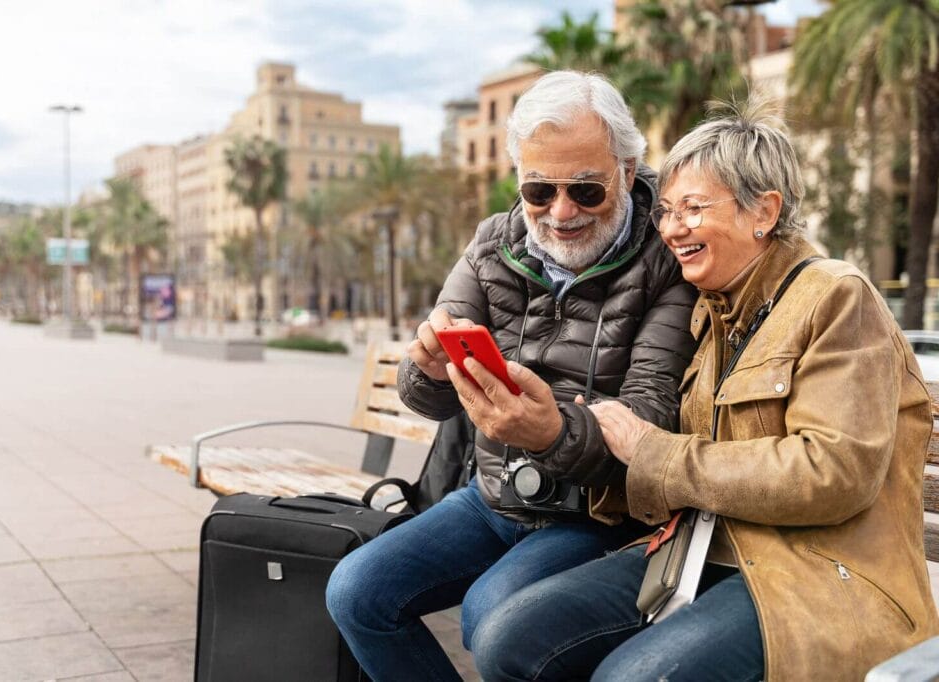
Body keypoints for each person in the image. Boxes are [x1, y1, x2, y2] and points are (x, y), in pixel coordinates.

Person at [470, 100, 939, 681]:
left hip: (821, 578)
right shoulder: (712, 310)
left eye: (692, 209)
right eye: (666, 211)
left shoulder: (837, 298)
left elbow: (833, 473)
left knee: (633, 678)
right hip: (704, 551)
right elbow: (671, 446)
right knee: (507, 637)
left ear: (763, 211)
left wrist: (653, 453)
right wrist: (575, 437)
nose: (670, 229)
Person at [326, 70, 698, 681]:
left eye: (586, 190)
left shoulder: (666, 258)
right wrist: (428, 371)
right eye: (538, 189)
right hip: (492, 495)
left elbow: (650, 417)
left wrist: (550, 433)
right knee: (356, 593)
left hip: (599, 514)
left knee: (489, 614)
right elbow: (425, 399)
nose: (560, 211)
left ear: (628, 173)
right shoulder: (494, 242)